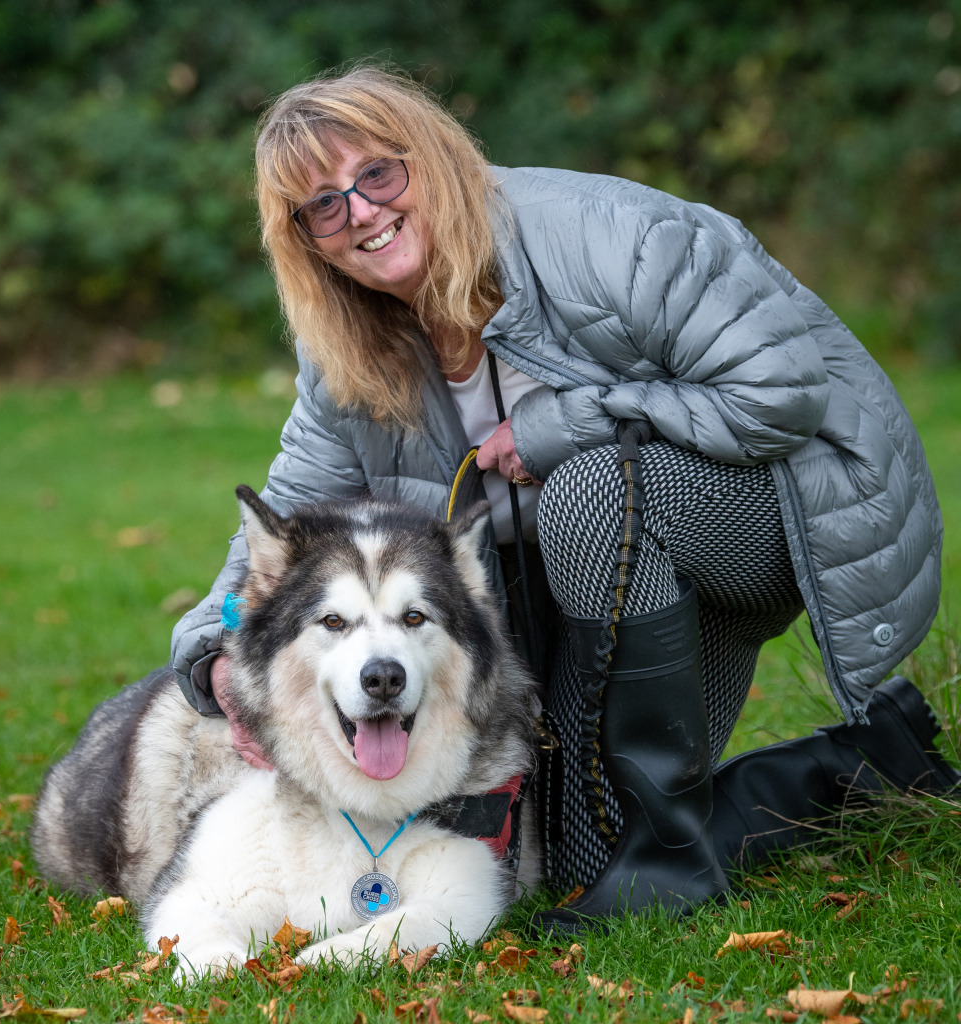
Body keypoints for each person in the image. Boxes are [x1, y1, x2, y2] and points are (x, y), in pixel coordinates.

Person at [170, 66, 954, 930]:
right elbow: (284, 522)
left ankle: (668, 866)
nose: (359, 211)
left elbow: (781, 392)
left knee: (582, 485)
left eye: (378, 175)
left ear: (429, 158)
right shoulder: (347, 355)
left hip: (781, 513)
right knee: (572, 863)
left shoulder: (606, 236)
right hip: (595, 575)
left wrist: (561, 428)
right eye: (323, 205)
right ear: (306, 240)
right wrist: (215, 646)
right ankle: (867, 769)